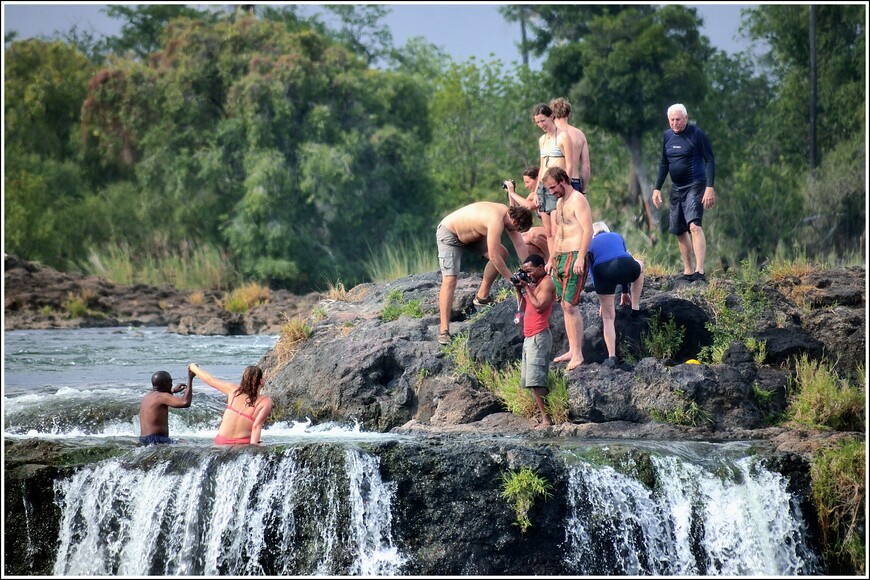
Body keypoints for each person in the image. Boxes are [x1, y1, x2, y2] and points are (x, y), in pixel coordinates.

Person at [436, 201, 533, 345]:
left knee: (503, 253)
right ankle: (444, 330)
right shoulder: (496, 220)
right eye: (517, 228)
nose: (515, 231)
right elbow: (494, 256)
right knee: (450, 279)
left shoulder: (508, 215)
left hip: (473, 237)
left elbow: (519, 245)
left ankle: (482, 296)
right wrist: (511, 279)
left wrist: (529, 271)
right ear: (514, 220)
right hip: (451, 233)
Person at [651, 103, 716, 282]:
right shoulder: (667, 136)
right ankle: (687, 271)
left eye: (678, 119)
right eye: (671, 120)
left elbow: (709, 160)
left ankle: (700, 271)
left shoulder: (697, 134)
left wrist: (710, 187)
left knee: (694, 226)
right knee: (679, 229)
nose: (675, 123)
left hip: (695, 184)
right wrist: (657, 188)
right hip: (676, 187)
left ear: (686, 118)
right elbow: (664, 163)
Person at [542, 167, 594, 371]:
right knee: (564, 305)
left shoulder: (578, 199)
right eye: (548, 189)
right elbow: (558, 233)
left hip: (574, 256)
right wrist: (551, 259)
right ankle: (572, 350)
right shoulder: (559, 201)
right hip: (560, 257)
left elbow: (588, 229)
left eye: (553, 187)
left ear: (564, 180)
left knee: (570, 305)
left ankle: (579, 354)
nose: (551, 192)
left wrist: (581, 257)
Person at [586, 221, 645, 368]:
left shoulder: (589, 244)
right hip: (625, 265)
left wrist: (602, 299)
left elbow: (592, 272)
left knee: (608, 317)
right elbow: (622, 258)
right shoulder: (616, 236)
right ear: (607, 230)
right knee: (640, 264)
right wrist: (624, 291)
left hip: (603, 271)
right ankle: (636, 307)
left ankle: (612, 357)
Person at [513, 253, 557, 429]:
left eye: (530, 271)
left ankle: (547, 420)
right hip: (529, 336)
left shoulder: (547, 283)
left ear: (541, 267)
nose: (528, 275)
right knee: (530, 380)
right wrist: (519, 290)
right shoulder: (535, 285)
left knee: (536, 380)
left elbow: (540, 306)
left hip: (539, 335)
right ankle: (543, 417)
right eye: (525, 272)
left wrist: (528, 288)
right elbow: (524, 307)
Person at [188, 363, 272, 445]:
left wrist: (193, 367)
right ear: (261, 381)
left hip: (221, 442)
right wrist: (253, 449)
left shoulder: (234, 391)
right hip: (241, 444)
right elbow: (256, 427)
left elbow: (210, 380)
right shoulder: (265, 402)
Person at [532, 103, 574, 248]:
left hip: (556, 185)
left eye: (543, 120)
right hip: (543, 186)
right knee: (548, 232)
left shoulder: (563, 136)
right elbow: (542, 165)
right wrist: (536, 191)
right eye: (538, 122)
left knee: (558, 230)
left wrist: (566, 186)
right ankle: (553, 264)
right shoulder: (542, 140)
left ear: (551, 117)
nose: (541, 124)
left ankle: (560, 260)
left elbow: (569, 164)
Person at [139, 369, 194, 445]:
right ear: (165, 383)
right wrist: (190, 379)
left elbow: (163, 396)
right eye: (171, 382)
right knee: (188, 444)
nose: (172, 384)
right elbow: (185, 403)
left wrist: (173, 390)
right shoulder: (162, 396)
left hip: (143, 439)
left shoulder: (148, 396)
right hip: (156, 439)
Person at [550, 97, 591, 194]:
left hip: (554, 183)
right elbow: (586, 166)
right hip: (574, 181)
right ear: (568, 114)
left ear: (552, 115)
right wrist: (583, 189)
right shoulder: (579, 134)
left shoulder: (551, 135)